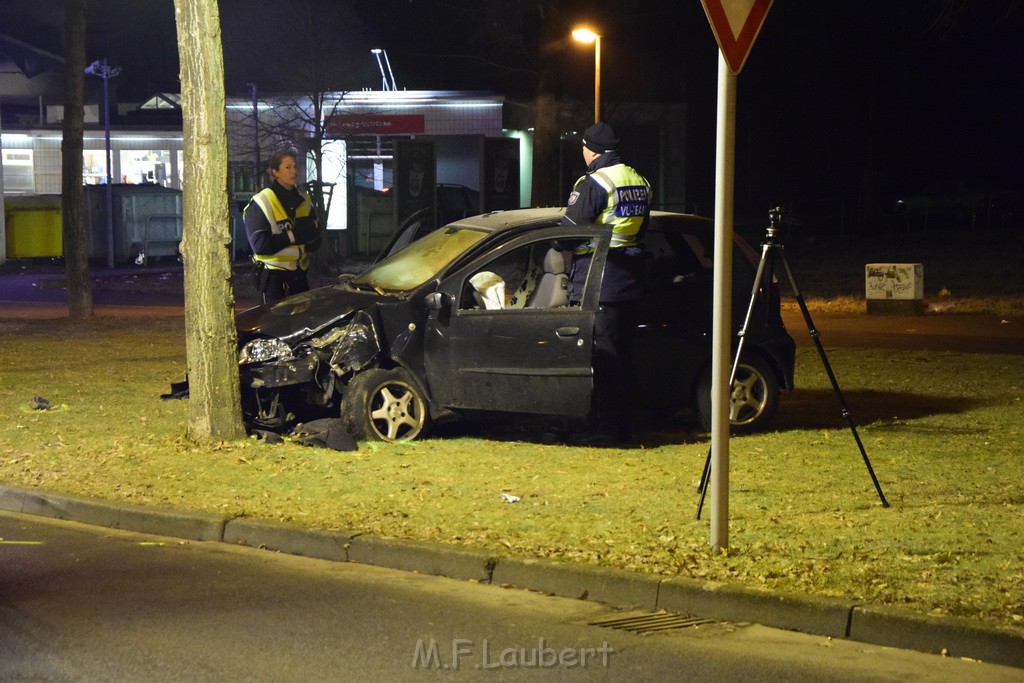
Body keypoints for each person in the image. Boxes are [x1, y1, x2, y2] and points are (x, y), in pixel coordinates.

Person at [561, 122, 652, 444]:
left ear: (592, 150)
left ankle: (605, 431)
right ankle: (629, 428)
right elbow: (639, 232)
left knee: (604, 358)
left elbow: (569, 234)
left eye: (583, 147)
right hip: (629, 278)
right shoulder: (638, 180)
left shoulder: (595, 182)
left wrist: (558, 245)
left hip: (600, 278)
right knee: (626, 358)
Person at [244, 150, 323, 303]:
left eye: (295, 167)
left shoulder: (304, 199)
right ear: (275, 172)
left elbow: (315, 242)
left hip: (300, 276)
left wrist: (312, 236)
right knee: (274, 324)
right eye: (287, 167)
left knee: (300, 324)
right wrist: (295, 235)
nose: (293, 171)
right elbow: (260, 246)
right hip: (273, 279)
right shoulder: (261, 201)